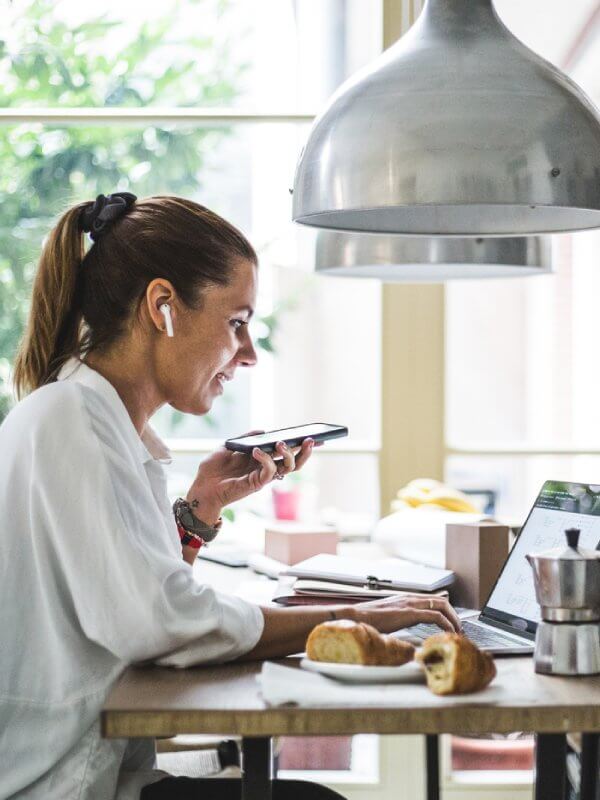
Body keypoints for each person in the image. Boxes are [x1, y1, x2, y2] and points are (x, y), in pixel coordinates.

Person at [0, 193, 461, 799]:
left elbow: (136, 599)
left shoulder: (92, 420)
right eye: (236, 323)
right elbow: (158, 624)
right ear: (162, 306)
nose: (248, 355)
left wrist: (201, 508)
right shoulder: (74, 423)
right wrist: (354, 618)